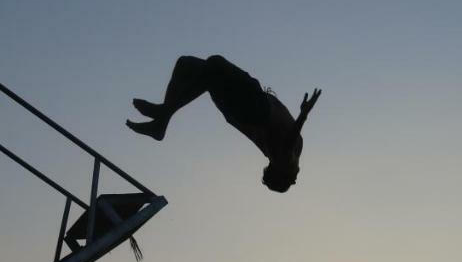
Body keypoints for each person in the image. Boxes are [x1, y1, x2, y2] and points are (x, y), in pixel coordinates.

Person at [126, 55, 321, 193]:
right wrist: (300, 115)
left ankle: (163, 115)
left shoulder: (286, 158)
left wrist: (303, 115)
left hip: (254, 109)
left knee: (215, 65)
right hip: (243, 108)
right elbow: (289, 141)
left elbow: (288, 143)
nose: (296, 178)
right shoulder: (291, 153)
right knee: (187, 65)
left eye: (291, 178)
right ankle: (162, 120)